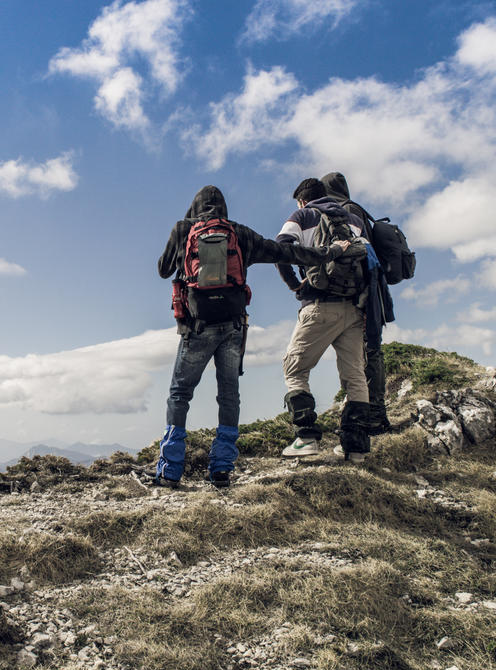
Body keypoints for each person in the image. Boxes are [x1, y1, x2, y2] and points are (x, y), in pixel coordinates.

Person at [155, 185, 349, 488]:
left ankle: (169, 469)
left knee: (180, 393)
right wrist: (331, 253)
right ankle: (221, 469)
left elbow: (163, 270)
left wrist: (184, 236)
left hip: (196, 326)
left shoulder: (184, 229)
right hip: (232, 327)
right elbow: (286, 251)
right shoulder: (239, 233)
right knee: (229, 395)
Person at [276, 178, 371, 462]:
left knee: (294, 368)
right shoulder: (353, 219)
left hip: (319, 305)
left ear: (303, 200)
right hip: (354, 308)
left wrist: (295, 284)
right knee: (355, 375)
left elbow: (281, 248)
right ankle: (355, 448)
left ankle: (306, 438)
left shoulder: (302, 216)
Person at [321, 171, 395, 435]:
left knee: (367, 351)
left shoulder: (345, 211)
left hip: (364, 294)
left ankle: (373, 415)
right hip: (371, 290)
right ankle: (371, 413)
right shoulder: (356, 209)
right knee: (366, 350)